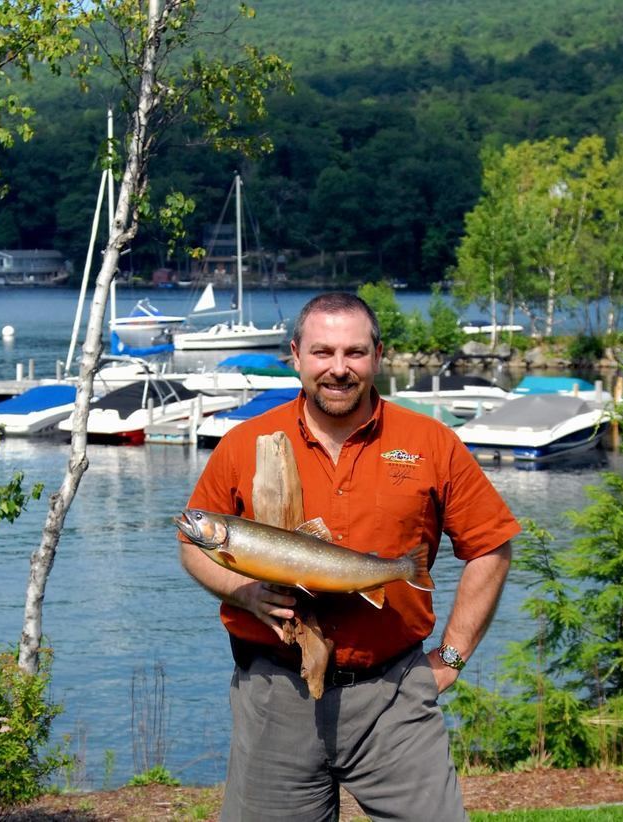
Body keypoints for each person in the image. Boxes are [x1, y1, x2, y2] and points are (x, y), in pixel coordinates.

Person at [180, 292, 520, 822]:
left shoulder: (430, 441)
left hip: (395, 696)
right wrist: (240, 591)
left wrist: (451, 658)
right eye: (322, 353)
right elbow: (192, 543)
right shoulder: (243, 443)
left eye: (354, 353)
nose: (338, 369)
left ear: (377, 356)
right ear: (295, 355)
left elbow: (491, 545)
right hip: (275, 696)